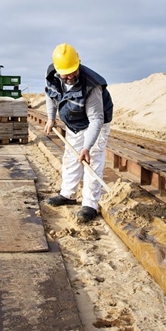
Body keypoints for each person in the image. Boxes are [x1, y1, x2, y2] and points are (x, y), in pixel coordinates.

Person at [44, 43, 113, 223]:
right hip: (74, 124)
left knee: (92, 161)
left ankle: (90, 204)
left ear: (79, 62)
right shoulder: (53, 76)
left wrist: (87, 147)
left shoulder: (91, 86)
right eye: (66, 73)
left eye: (74, 70)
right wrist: (51, 118)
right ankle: (68, 194)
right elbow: (50, 96)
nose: (71, 75)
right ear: (58, 70)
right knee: (70, 158)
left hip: (95, 124)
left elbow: (96, 119)